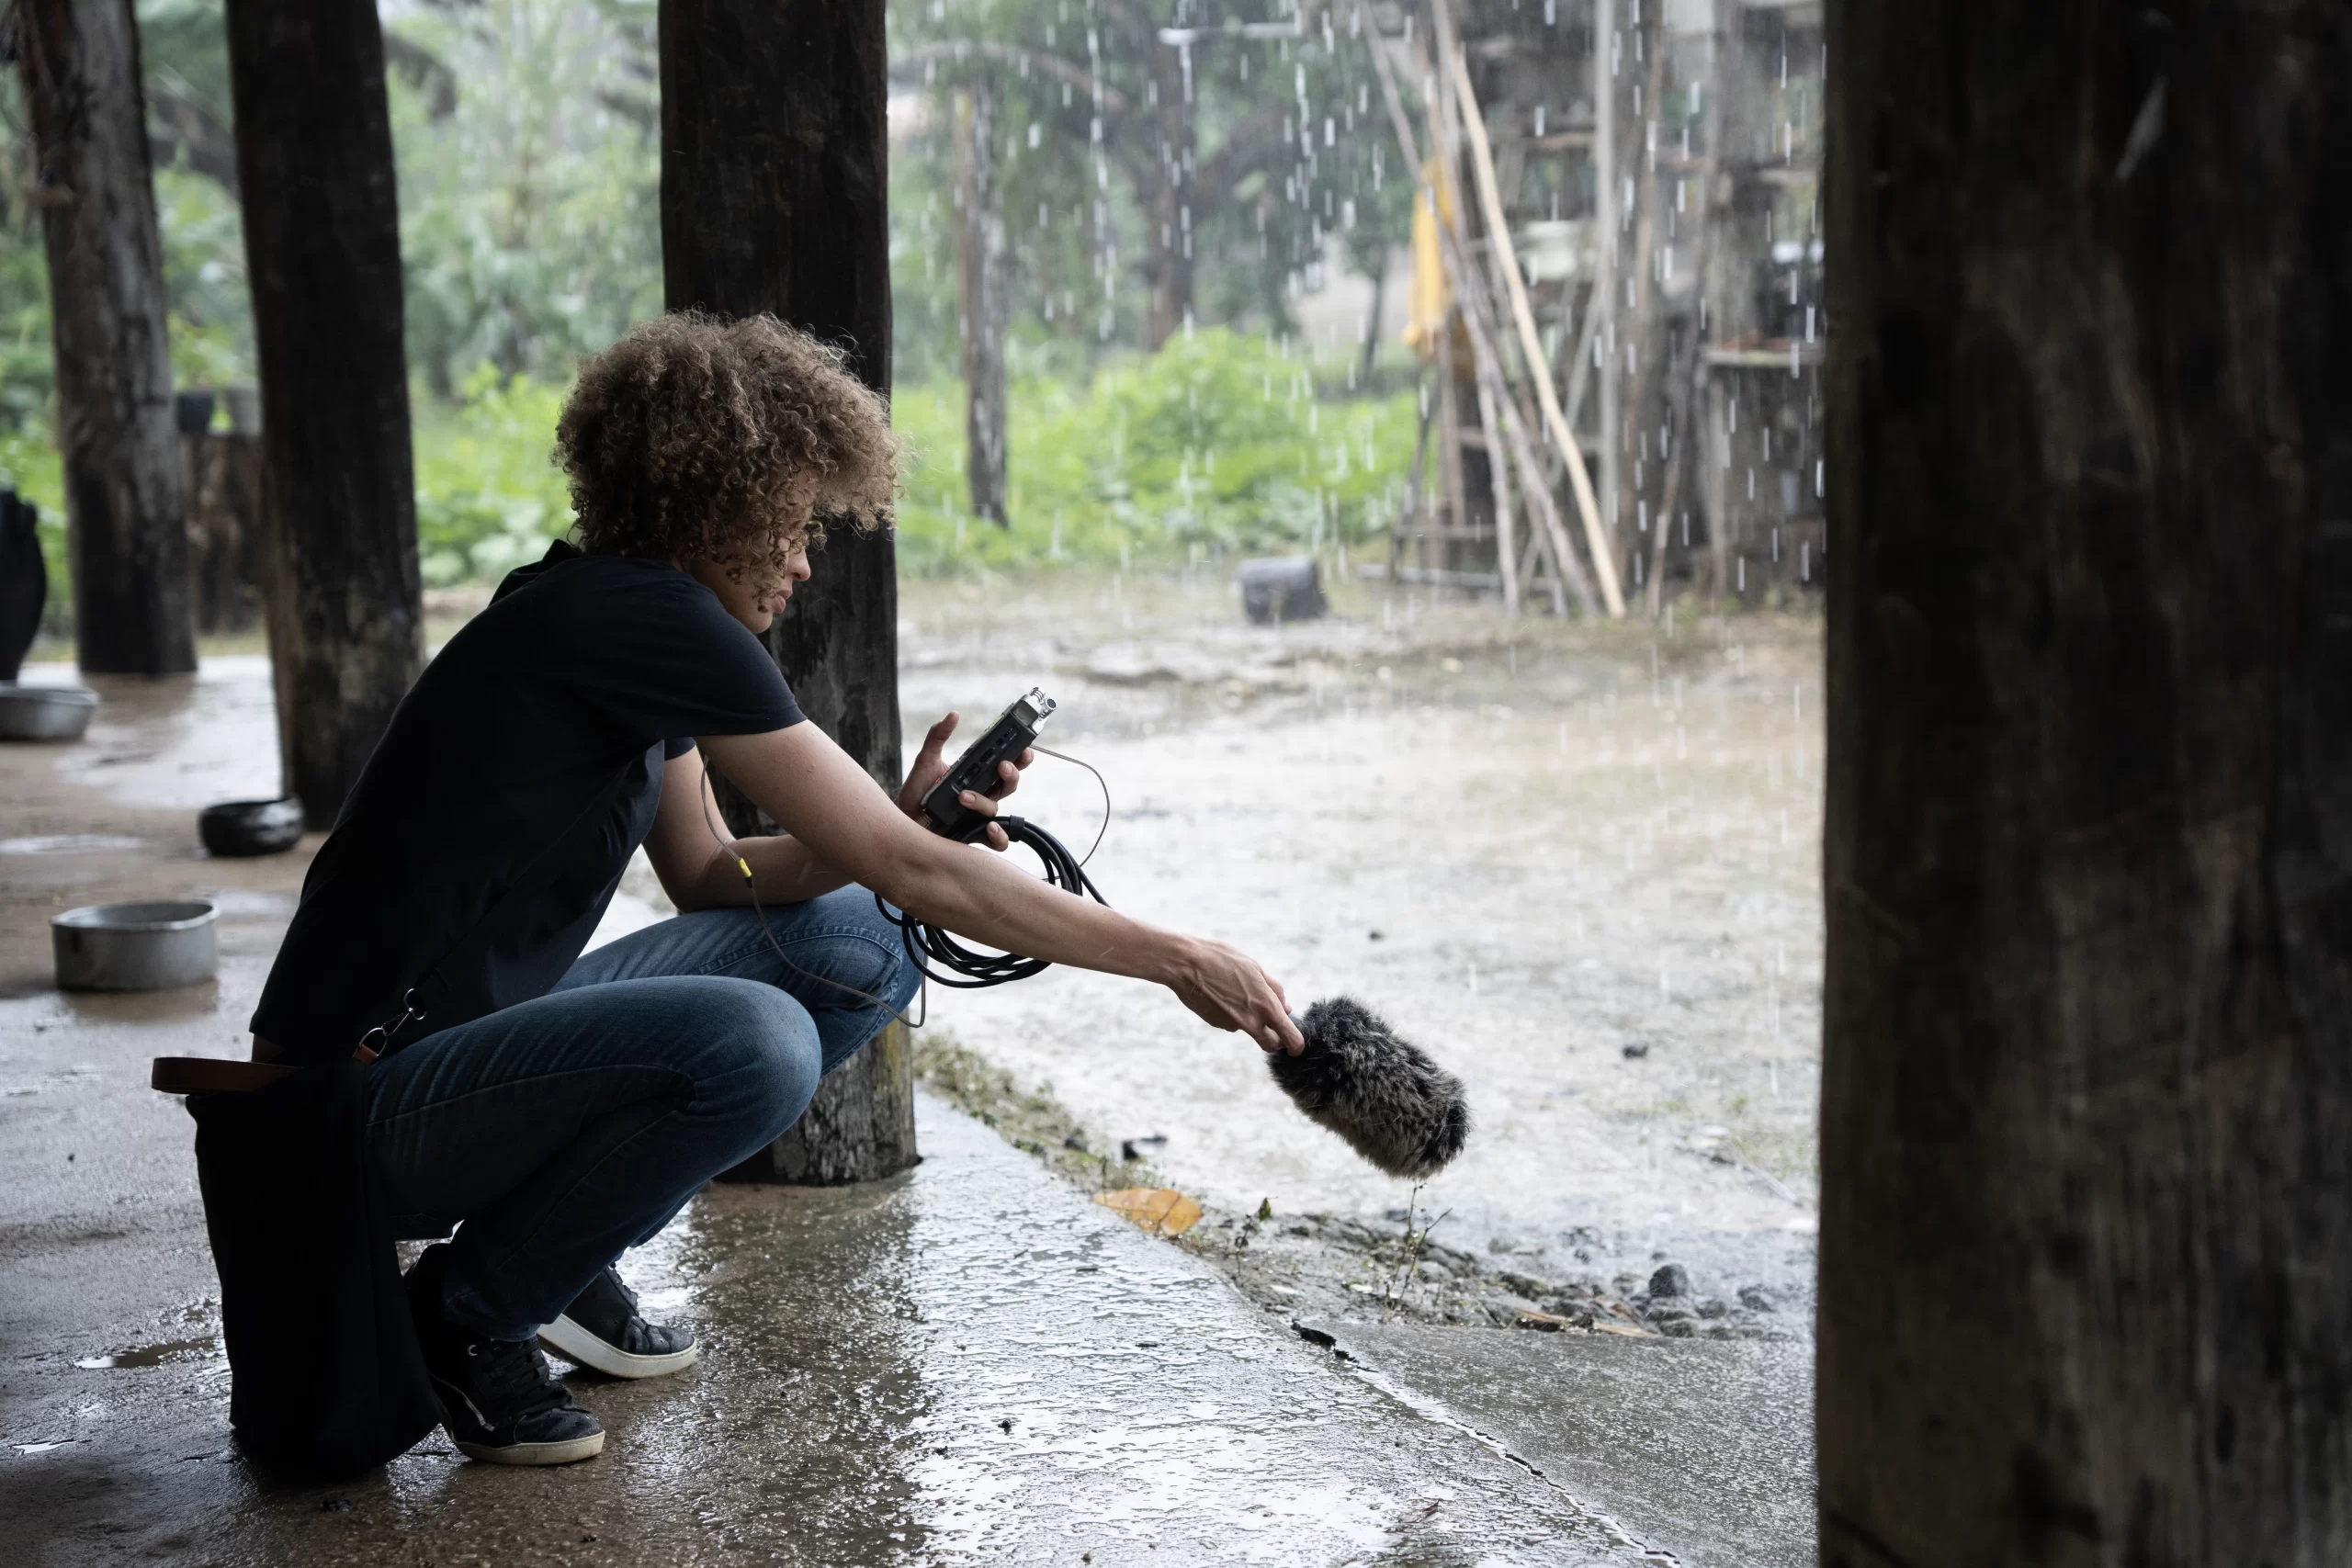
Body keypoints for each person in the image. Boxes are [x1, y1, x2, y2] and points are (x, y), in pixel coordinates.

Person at [247, 313, 1302, 1467]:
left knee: (864, 940)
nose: (802, 563)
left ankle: (550, 1251)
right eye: (790, 527)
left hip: (446, 1065)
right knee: (757, 1040)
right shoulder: (645, 619)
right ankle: (468, 1315)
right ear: (709, 510)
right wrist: (1177, 958)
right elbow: (915, 872)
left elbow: (712, 870)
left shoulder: (602, 609)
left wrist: (898, 829)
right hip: (345, 1108)